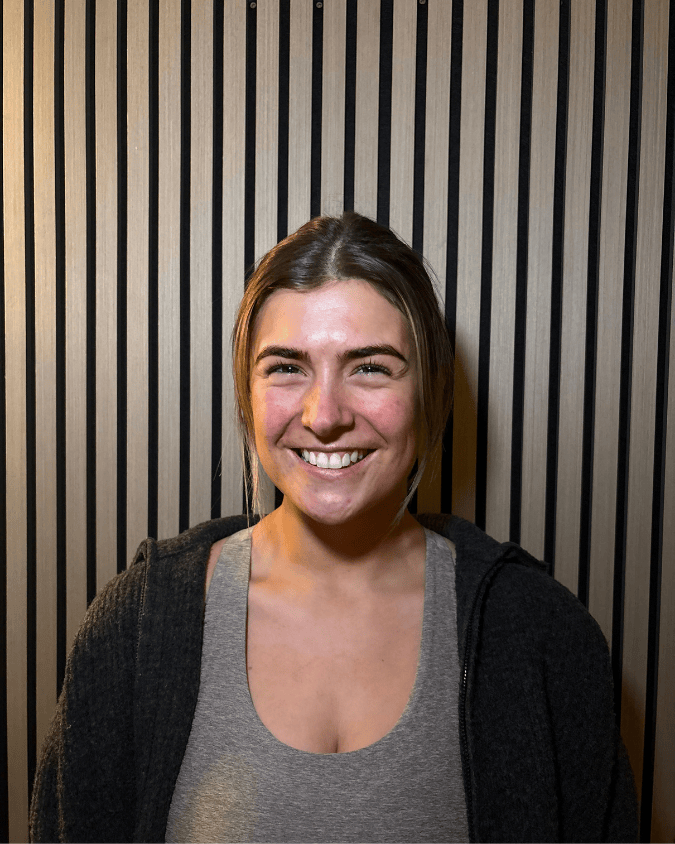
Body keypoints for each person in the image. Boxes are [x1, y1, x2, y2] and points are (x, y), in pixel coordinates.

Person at [30, 212, 637, 843]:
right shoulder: (137, 627)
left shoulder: (539, 633)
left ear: (427, 390)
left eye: (370, 367)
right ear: (247, 394)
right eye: (287, 368)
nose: (325, 417)